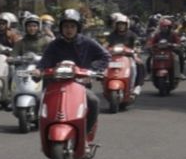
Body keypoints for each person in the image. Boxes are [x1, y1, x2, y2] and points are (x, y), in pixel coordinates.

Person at [39, 9, 110, 138]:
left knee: (93, 101)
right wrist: (38, 70)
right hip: (56, 85)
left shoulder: (87, 42)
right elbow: (44, 61)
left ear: (78, 28)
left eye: (72, 26)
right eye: (66, 26)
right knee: (40, 102)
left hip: (80, 85)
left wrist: (92, 70)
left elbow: (105, 56)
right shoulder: (54, 45)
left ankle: (86, 132)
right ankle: (46, 134)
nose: (69, 30)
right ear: (61, 28)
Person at [105, 12, 145, 94]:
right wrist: (103, 48)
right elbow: (106, 44)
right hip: (114, 57)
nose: (121, 26)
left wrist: (136, 51)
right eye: (119, 24)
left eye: (123, 24)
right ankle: (104, 84)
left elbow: (137, 44)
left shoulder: (132, 35)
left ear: (127, 25)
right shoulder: (112, 35)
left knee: (138, 65)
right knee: (103, 67)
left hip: (128, 56)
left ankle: (137, 86)